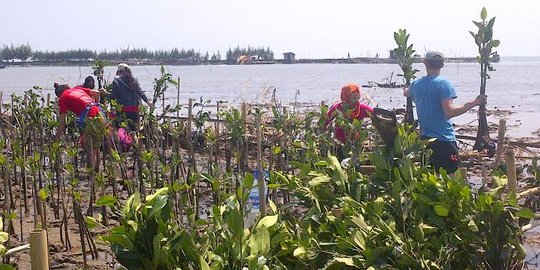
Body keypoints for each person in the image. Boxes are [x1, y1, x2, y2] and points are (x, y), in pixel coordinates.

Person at [403, 51, 487, 174]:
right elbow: (449, 112)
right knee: (452, 179)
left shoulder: (416, 85)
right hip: (445, 141)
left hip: (426, 141)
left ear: (425, 63)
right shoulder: (444, 84)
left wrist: (405, 88)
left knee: (430, 179)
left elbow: (406, 92)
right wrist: (474, 103)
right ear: (442, 65)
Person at [54, 82, 108, 168]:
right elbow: (96, 93)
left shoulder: (63, 98)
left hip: (91, 117)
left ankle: (91, 173)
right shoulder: (77, 89)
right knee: (96, 146)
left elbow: (62, 122)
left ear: (59, 95)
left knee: (88, 145)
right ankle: (97, 172)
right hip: (100, 113)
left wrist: (57, 137)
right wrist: (96, 103)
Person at [110, 63, 153, 131]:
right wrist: (149, 103)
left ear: (120, 72)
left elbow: (113, 97)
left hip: (122, 112)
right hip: (134, 112)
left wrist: (105, 93)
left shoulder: (116, 82)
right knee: (134, 132)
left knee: (119, 131)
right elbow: (140, 93)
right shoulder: (134, 81)